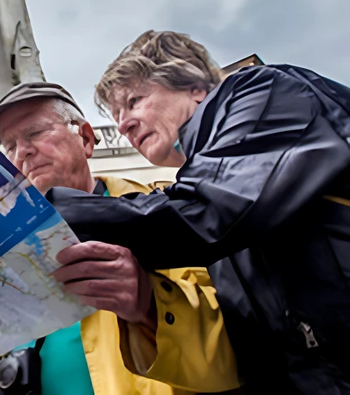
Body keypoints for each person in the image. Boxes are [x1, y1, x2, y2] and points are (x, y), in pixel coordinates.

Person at [0, 82, 241, 395]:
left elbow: (231, 352)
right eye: (9, 147)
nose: (23, 152)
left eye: (36, 133)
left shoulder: (165, 216)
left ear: (86, 138)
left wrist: (148, 304)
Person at [46, 30, 350, 394]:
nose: (124, 124)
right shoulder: (209, 194)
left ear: (194, 87)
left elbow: (201, 214)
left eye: (135, 100)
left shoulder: (263, 92)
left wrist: (46, 215)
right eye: (117, 114)